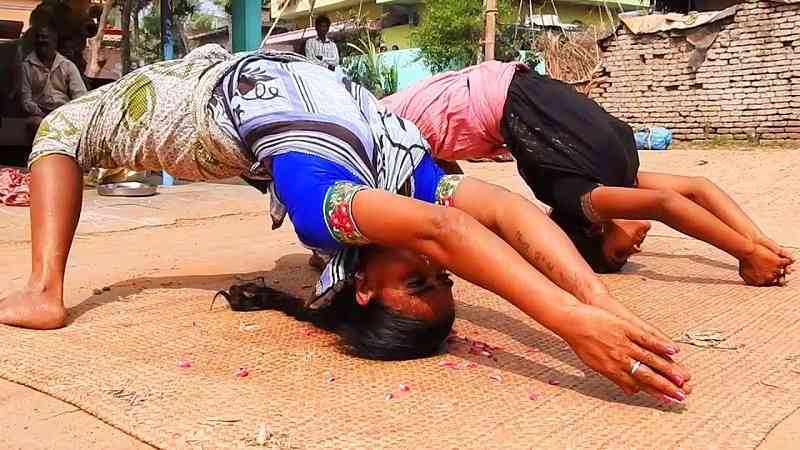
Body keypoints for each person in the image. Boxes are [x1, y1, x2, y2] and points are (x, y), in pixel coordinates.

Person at [0, 45, 690, 404]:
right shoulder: (399, 175)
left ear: (363, 287)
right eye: (442, 279)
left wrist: (569, 325)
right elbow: (503, 213)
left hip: (199, 107)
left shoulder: (324, 206)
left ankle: (44, 288)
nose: (435, 255)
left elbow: (442, 232)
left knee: (63, 126)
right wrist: (592, 306)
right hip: (261, 76)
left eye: (416, 279)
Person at [382, 62, 794, 284]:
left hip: (471, 104)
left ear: (594, 228)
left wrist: (748, 254)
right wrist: (758, 240)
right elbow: (698, 188)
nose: (635, 251)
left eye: (619, 253)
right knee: (437, 179)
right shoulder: (614, 173)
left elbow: (668, 205)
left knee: (409, 173)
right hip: (522, 88)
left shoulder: (579, 196)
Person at [20, 22, 87, 142]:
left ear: (54, 41)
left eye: (45, 37)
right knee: (36, 124)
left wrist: (66, 114)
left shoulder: (67, 65)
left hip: (64, 113)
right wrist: (43, 114)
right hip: (39, 114)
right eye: (39, 37)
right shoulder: (26, 66)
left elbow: (80, 96)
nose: (41, 40)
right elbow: (26, 100)